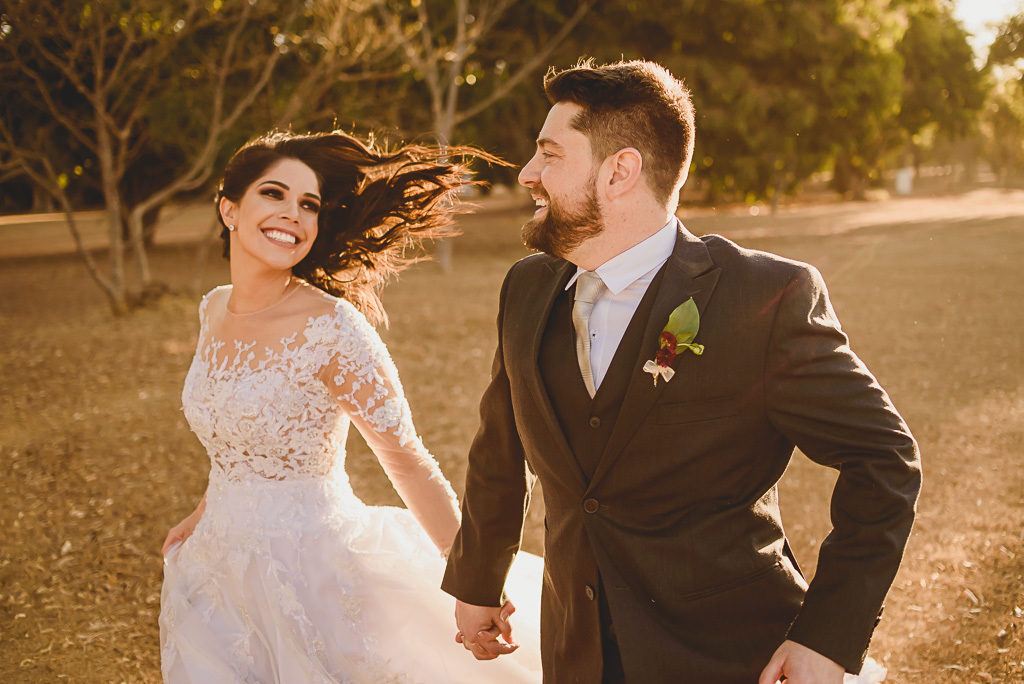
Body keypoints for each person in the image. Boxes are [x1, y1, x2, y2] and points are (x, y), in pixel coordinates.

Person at [441, 60, 922, 684]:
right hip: (574, 653)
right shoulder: (526, 289)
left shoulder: (764, 297)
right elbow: (499, 449)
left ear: (620, 172)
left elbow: (884, 459)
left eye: (550, 155)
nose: (528, 174)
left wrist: (829, 638)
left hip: (727, 657)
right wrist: (478, 580)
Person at [158, 130, 543, 682]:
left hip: (311, 577)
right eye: (274, 194)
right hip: (216, 573)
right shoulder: (213, 308)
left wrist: (473, 582)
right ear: (229, 209)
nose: (293, 214)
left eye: (308, 204)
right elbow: (233, 440)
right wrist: (203, 514)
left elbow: (407, 459)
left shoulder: (332, 330)